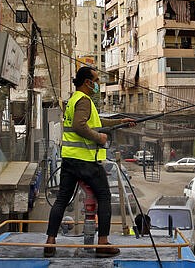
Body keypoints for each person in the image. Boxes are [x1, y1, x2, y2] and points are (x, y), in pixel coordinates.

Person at [44, 67, 135, 258]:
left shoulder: (74, 99)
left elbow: (94, 121)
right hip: (85, 161)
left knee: (62, 199)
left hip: (69, 160)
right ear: (87, 82)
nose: (97, 84)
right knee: (104, 197)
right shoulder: (85, 100)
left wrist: (121, 121)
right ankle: (102, 243)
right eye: (96, 80)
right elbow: (80, 126)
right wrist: (99, 138)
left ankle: (50, 242)